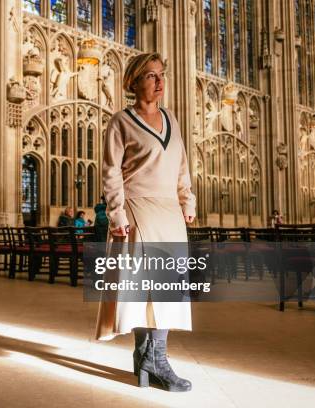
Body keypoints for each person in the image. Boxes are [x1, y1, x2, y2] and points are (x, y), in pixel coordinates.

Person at [97, 52, 196, 392]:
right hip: (138, 212)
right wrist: (117, 214)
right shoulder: (120, 122)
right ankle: (153, 362)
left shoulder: (172, 119)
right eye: (151, 75)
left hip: (170, 214)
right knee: (144, 292)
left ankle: (149, 361)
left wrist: (188, 201)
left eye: (162, 74)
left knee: (167, 291)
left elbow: (182, 167)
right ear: (134, 82)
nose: (159, 81)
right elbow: (111, 174)